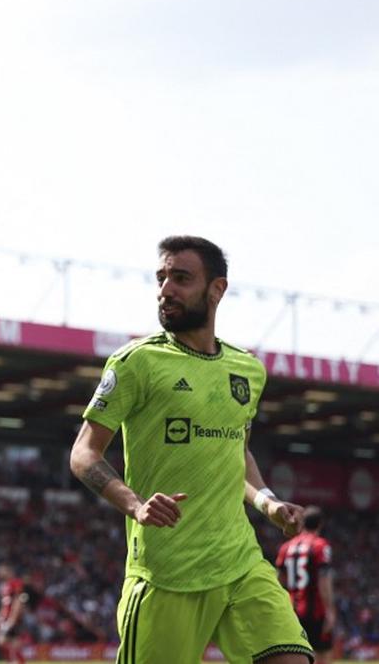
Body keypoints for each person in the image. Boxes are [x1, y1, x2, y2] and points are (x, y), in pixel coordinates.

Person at [69, 235, 314, 664]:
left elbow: (235, 451)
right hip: (167, 574)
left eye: (181, 278)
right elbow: (84, 453)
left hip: (240, 564)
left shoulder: (247, 370)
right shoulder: (136, 363)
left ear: (217, 289)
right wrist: (135, 504)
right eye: (161, 278)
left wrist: (268, 502)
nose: (166, 290)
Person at [276, 506, 336, 663]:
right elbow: (324, 582)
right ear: (320, 524)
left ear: (302, 523)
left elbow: (279, 582)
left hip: (292, 611)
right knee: (322, 655)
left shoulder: (286, 547)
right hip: (315, 611)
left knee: (297, 655)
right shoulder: (321, 546)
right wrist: (330, 610)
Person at [0, 563, 28, 664]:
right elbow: (4, 604)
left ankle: (15, 661)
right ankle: (14, 661)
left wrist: (13, 618)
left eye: (2, 571)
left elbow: (18, 600)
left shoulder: (16, 583)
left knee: (2, 641)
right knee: (9, 642)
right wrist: (0, 617)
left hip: (12, 618)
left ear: (9, 572)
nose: (0, 574)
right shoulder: (4, 586)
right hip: (6, 617)